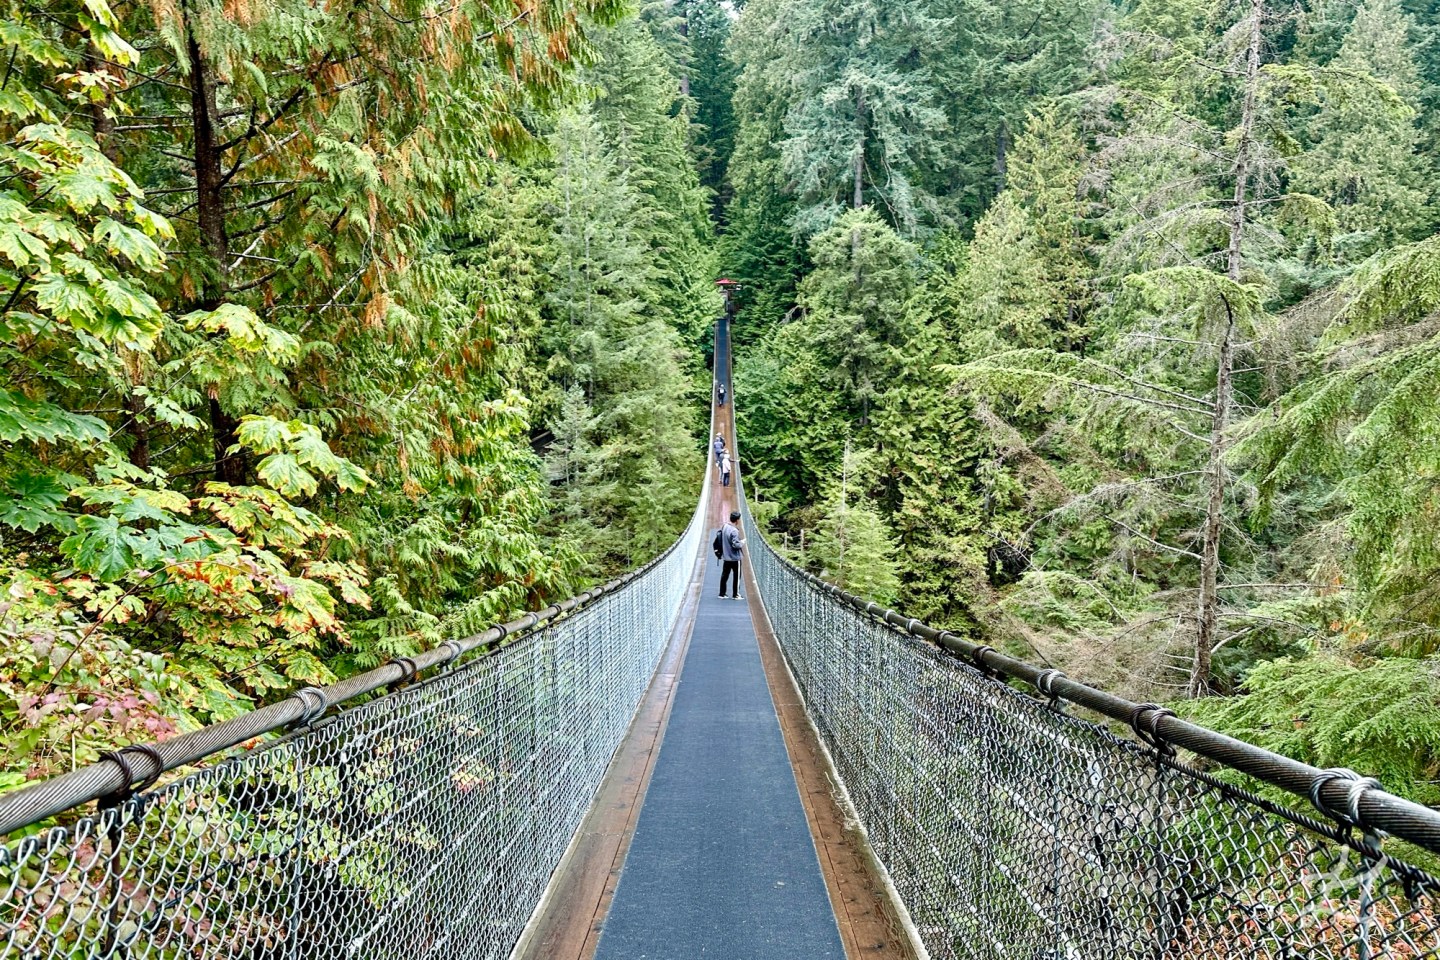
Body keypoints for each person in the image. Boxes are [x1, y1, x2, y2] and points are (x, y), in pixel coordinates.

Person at [713, 510, 745, 599]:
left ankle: (722, 593)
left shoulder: (725, 526)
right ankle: (736, 594)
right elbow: (736, 545)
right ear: (737, 520)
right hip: (735, 558)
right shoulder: (734, 531)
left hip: (726, 557)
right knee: (737, 576)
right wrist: (742, 542)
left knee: (725, 575)